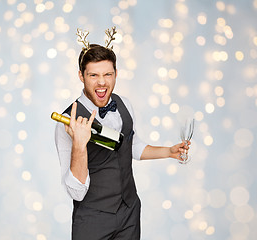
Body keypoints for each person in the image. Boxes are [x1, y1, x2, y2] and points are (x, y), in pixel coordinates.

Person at [54, 27, 190, 240]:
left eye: (108, 74)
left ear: (116, 74)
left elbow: (131, 144)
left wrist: (169, 151)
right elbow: (76, 192)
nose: (102, 82)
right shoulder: (67, 123)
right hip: (93, 219)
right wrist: (80, 145)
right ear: (81, 76)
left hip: (129, 212)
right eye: (93, 75)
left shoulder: (124, 104)